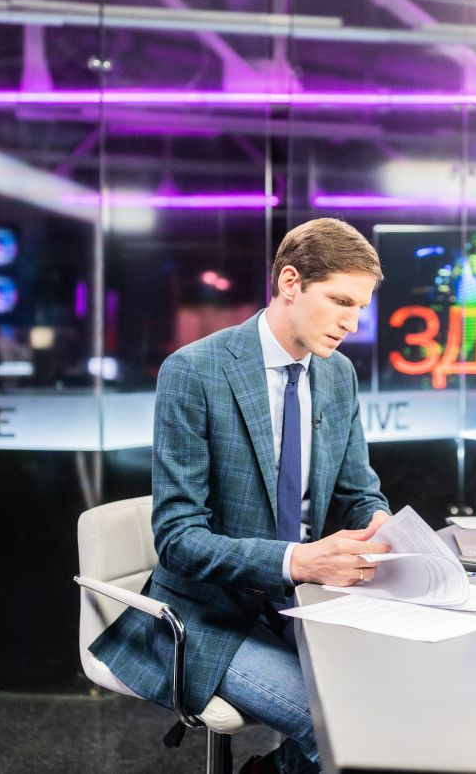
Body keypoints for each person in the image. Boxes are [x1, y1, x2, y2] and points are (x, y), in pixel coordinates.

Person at [90, 218, 393, 774]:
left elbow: (358, 492)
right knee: (338, 724)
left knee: (391, 699)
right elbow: (178, 540)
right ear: (290, 282)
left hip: (304, 602)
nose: (352, 323)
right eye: (340, 301)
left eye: (360, 308)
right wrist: (297, 561)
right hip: (210, 614)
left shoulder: (338, 375)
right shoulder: (194, 371)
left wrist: (383, 528)